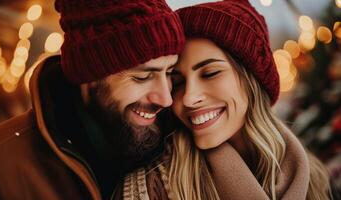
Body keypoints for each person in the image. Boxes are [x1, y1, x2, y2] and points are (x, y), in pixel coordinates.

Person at [119, 0, 332, 199]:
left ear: (252, 81)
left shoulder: (316, 179)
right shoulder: (151, 189)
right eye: (178, 81)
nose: (189, 98)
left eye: (210, 73)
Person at [0, 0, 185, 199]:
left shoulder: (177, 142)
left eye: (170, 73)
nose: (165, 99)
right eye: (142, 77)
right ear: (90, 77)